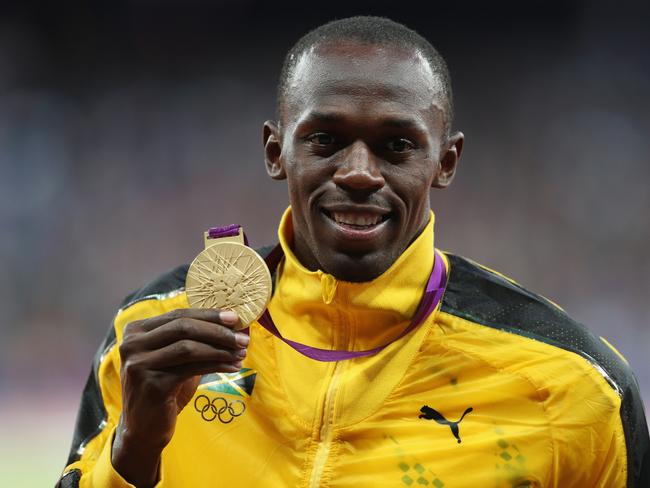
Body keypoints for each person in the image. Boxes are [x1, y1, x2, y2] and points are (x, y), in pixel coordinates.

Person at [58, 16, 649, 488]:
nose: (360, 173)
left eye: (396, 145)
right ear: (275, 151)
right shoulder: (150, 334)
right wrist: (132, 453)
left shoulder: (571, 386)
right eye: (325, 140)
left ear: (445, 162)